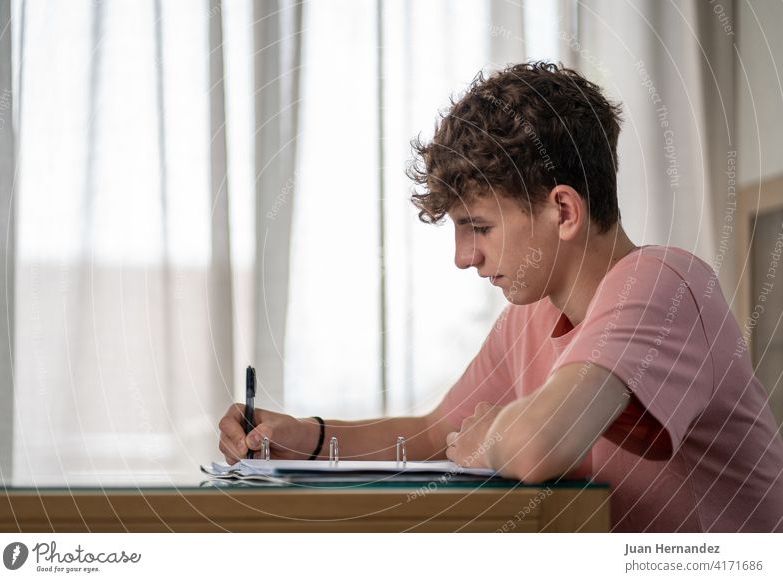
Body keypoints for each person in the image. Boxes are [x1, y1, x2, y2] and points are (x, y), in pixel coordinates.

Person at [218, 62, 783, 532]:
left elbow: (534, 445)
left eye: (479, 228)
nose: (464, 257)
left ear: (563, 211)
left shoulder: (661, 284)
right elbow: (439, 435)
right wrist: (307, 438)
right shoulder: (533, 316)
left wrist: (489, 433)